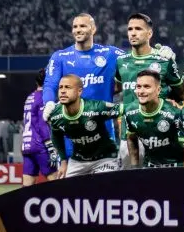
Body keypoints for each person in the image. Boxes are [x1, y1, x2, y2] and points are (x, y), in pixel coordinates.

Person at [42, 14, 128, 151]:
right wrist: (49, 102)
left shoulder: (109, 54)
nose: (78, 30)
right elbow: (50, 84)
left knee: (106, 171)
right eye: (75, 27)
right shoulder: (60, 57)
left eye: (82, 26)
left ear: (93, 29)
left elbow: (136, 61)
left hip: (103, 133)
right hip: (71, 135)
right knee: (71, 171)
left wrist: (159, 54)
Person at [114, 13, 184, 166]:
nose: (133, 32)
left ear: (149, 33)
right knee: (131, 183)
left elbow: (182, 92)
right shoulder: (121, 61)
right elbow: (116, 88)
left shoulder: (164, 60)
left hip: (162, 132)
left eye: (138, 29)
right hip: (130, 133)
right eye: (130, 29)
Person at [45, 75, 120, 177]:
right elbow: (56, 137)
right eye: (60, 87)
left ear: (79, 91)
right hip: (78, 161)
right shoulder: (55, 114)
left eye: (67, 87)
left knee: (102, 189)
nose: (62, 91)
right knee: (65, 190)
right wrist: (63, 161)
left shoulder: (95, 108)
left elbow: (125, 110)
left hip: (105, 158)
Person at [125, 69, 184, 168]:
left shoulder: (175, 113)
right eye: (139, 87)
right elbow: (131, 139)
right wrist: (134, 167)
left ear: (158, 90)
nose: (141, 91)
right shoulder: (129, 111)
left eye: (147, 87)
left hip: (176, 167)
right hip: (149, 167)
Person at [21, 68, 57, 186]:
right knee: (56, 181)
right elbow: (42, 124)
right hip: (40, 145)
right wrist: (51, 147)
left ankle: (24, 204)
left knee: (27, 185)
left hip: (27, 145)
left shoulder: (29, 97)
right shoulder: (43, 98)